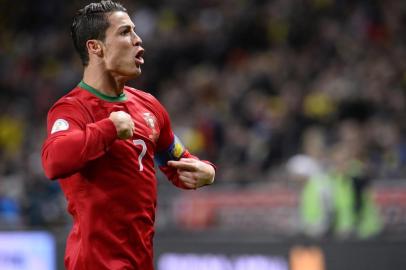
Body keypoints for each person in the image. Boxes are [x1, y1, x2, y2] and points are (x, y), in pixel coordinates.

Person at [40, 1, 216, 269]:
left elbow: (178, 162)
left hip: (140, 262)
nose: (137, 39)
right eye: (125, 32)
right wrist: (109, 128)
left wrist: (206, 171)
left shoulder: (149, 107)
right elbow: (54, 161)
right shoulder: (72, 108)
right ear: (95, 47)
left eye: (134, 31)